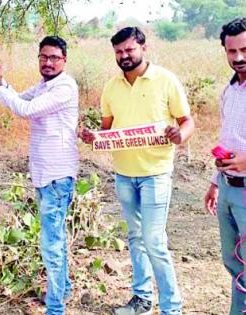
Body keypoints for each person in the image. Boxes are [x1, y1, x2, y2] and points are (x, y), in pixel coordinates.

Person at [81, 27, 194, 315]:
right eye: (119, 52)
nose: (124, 56)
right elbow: (106, 131)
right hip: (123, 174)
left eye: (129, 50)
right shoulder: (111, 87)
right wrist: (94, 136)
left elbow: (186, 122)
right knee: (135, 238)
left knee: (155, 242)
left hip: (155, 173)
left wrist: (179, 135)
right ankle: (142, 300)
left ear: (144, 47)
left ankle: (172, 308)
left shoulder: (166, 80)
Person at [0, 36, 78, 315]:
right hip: (45, 174)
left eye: (54, 58)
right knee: (55, 239)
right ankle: (62, 291)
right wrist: (1, 82)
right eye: (43, 57)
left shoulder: (64, 86)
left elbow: (24, 109)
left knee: (52, 244)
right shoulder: (44, 85)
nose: (48, 62)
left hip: (56, 176)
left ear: (64, 60)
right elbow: (21, 97)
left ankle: (55, 308)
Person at [204, 18, 246, 315]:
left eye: (245, 49)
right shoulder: (229, 91)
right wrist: (215, 181)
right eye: (232, 51)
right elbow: (226, 138)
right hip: (228, 189)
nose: (239, 57)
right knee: (233, 263)